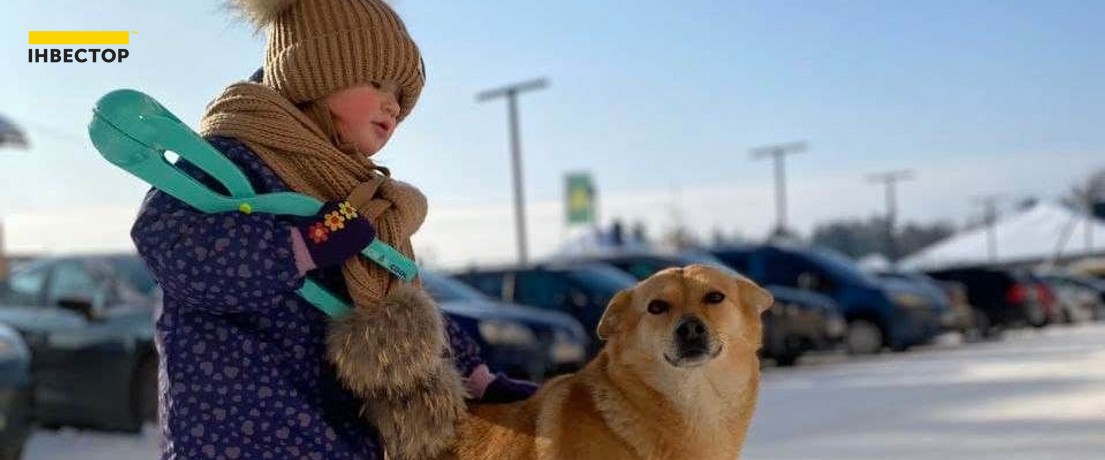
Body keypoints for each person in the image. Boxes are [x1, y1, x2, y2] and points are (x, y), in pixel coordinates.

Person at [131, 1, 534, 458]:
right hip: (241, 427)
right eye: (377, 82)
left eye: (403, 94)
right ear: (315, 73)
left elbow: (391, 297)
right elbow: (171, 243)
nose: (394, 104)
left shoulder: (353, 189)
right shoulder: (239, 152)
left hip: (330, 429)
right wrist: (301, 246)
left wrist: (474, 376)